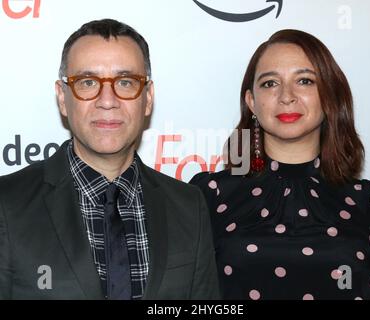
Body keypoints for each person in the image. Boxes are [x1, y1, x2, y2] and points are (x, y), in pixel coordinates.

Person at [0, 18, 220, 300]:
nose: (107, 100)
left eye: (126, 82)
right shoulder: (8, 204)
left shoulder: (189, 205)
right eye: (88, 82)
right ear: (63, 98)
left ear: (148, 98)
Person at [190, 29, 370, 300]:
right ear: (251, 102)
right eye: (270, 83)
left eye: (305, 81)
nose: (287, 96)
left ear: (329, 95)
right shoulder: (208, 195)